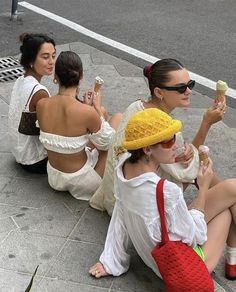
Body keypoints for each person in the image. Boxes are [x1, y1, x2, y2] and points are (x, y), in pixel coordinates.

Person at [89, 108, 236, 281]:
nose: (175, 145)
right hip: (183, 267)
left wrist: (111, 260)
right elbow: (196, 235)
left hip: (154, 256)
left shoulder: (123, 168)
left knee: (231, 189)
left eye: (175, 137)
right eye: (168, 142)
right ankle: (232, 258)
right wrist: (203, 189)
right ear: (147, 149)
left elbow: (120, 218)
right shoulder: (166, 190)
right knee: (227, 207)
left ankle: (233, 259)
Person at [89, 58, 226, 215]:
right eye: (181, 88)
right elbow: (192, 166)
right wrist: (206, 122)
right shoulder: (162, 129)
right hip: (135, 209)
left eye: (190, 84)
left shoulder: (137, 107)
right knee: (218, 180)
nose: (189, 91)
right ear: (159, 92)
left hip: (115, 196)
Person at [37, 51, 121, 200]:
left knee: (98, 124)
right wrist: (96, 109)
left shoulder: (42, 105)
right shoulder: (86, 112)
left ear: (55, 77)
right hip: (83, 183)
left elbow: (64, 130)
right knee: (118, 119)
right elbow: (108, 143)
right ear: (81, 76)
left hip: (55, 177)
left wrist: (89, 109)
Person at [8, 33, 56, 174]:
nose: (52, 61)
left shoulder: (20, 80)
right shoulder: (40, 91)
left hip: (19, 152)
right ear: (30, 60)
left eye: (53, 55)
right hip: (35, 160)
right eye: (45, 57)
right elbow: (52, 130)